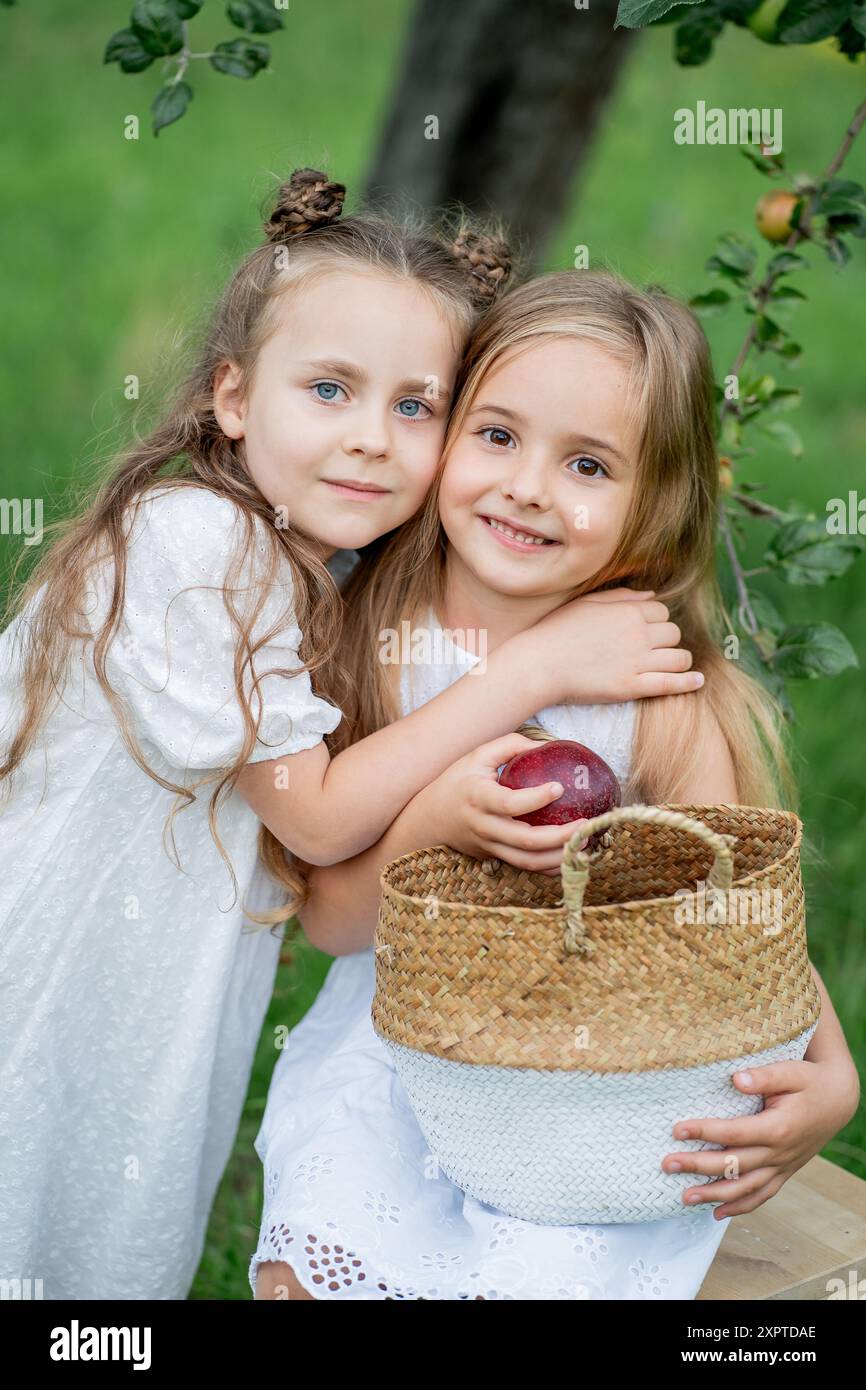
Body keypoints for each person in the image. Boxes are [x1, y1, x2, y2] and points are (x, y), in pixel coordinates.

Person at [0, 174, 692, 1300]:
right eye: (329, 388)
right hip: (45, 971)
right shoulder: (194, 546)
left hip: (148, 995)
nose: (371, 440)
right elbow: (316, 812)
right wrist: (530, 669)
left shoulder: (318, 574)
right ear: (231, 394)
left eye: (415, 407)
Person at [251, 270, 860, 1301]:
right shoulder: (366, 644)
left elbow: (732, 924)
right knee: (316, 1252)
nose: (527, 486)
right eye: (495, 435)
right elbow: (332, 927)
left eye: (585, 462)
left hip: (599, 1090)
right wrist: (434, 818)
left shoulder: (655, 689)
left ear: (655, 505)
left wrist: (833, 1077)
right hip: (402, 1056)